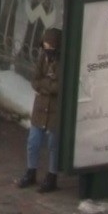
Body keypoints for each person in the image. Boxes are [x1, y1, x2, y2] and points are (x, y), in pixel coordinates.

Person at [18, 28, 63, 192]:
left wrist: (44, 85)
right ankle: (31, 171)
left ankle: (52, 175)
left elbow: (58, 86)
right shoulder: (43, 58)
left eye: (50, 46)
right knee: (33, 141)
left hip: (54, 109)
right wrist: (47, 85)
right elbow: (35, 80)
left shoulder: (62, 62)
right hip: (40, 107)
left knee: (53, 144)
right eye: (45, 46)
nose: (47, 49)